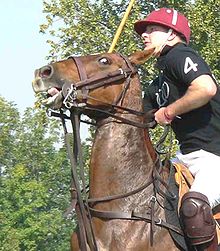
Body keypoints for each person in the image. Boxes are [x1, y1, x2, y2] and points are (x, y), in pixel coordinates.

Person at [134, 7, 220, 250]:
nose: (144, 35)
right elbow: (135, 117)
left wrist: (169, 111)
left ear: (172, 35)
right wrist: (76, 94)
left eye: (152, 29)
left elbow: (205, 88)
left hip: (216, 158)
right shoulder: (159, 83)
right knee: (152, 204)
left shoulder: (179, 55)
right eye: (144, 31)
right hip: (186, 159)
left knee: (194, 208)